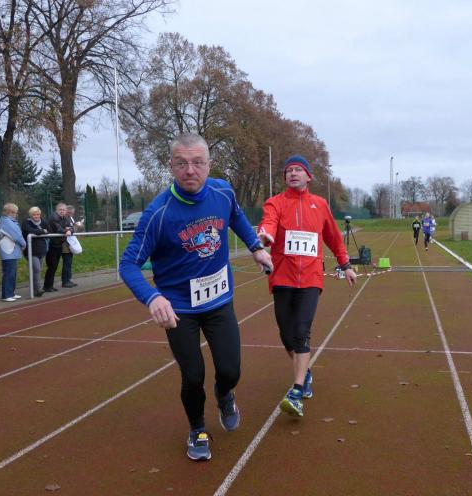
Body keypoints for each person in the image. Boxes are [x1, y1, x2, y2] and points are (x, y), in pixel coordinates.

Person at [120, 133, 272, 461]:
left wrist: (255, 247)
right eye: (182, 163)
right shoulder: (158, 213)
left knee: (230, 371)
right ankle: (198, 428)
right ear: (171, 166)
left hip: (218, 301)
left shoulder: (223, 192)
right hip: (179, 309)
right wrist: (152, 298)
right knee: (192, 376)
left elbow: (237, 218)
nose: (190, 170)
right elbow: (128, 264)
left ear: (208, 164)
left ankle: (224, 394)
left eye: (198, 162)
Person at [257, 155, 357, 418]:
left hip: (311, 278)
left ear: (308, 176)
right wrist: (265, 235)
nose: (293, 173)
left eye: (298, 170)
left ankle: (297, 390)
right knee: (286, 334)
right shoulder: (275, 203)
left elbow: (334, 238)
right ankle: (306, 371)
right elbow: (269, 223)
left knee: (302, 331)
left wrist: (345, 265)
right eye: (289, 170)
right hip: (282, 277)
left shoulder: (320, 205)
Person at [0, 203, 27, 302]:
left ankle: (11, 293)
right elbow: (16, 235)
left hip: (11, 252)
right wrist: (24, 243)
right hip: (8, 252)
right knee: (9, 273)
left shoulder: (8, 221)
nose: (16, 214)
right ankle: (6, 295)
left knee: (12, 273)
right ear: (10, 212)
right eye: (15, 212)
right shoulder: (7, 222)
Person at [43, 202, 72, 292]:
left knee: (54, 266)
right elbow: (58, 228)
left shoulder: (65, 218)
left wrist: (70, 230)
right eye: (60, 210)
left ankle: (49, 286)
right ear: (57, 210)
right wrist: (66, 231)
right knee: (52, 266)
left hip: (59, 244)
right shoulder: (53, 217)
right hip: (52, 244)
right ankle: (47, 286)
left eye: (64, 210)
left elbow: (70, 227)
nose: (62, 211)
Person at [21, 207, 49, 297]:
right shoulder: (26, 222)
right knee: (37, 269)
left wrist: (42, 232)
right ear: (30, 215)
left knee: (37, 271)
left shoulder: (43, 221)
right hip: (31, 251)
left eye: (38, 214)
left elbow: (48, 230)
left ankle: (35, 290)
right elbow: (29, 230)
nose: (36, 216)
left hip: (42, 250)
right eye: (34, 214)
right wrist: (42, 231)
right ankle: (38, 289)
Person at [60, 204, 84, 288]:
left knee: (69, 262)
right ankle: (65, 281)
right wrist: (76, 226)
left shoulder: (70, 218)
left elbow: (73, 229)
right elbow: (69, 229)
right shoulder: (64, 219)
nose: (71, 214)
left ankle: (68, 279)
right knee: (67, 262)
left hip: (70, 243)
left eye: (72, 213)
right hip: (65, 244)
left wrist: (78, 225)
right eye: (70, 212)